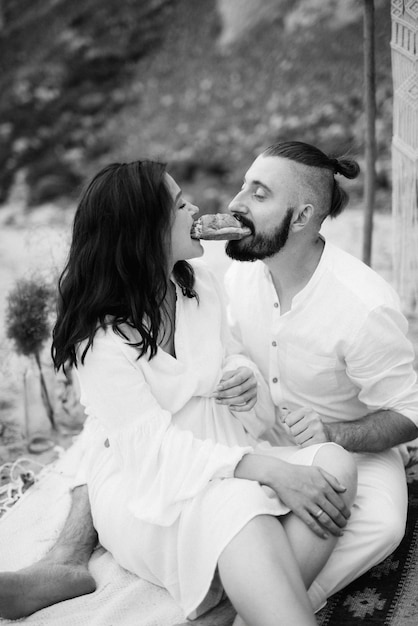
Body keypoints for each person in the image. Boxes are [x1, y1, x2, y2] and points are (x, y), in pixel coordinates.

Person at [0, 160, 357, 625]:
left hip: (225, 445)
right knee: (240, 504)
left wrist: (242, 373)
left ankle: (229, 611)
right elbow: (152, 454)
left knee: (336, 466)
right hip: (147, 485)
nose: (196, 210)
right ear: (143, 231)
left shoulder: (198, 283)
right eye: (179, 203)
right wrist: (266, 469)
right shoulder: (100, 341)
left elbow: (228, 352)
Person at [222, 140, 418, 611]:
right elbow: (227, 347)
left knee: (385, 523)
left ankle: (263, 605)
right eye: (244, 186)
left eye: (260, 193)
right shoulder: (236, 274)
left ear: (303, 217)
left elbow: (409, 413)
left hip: (353, 449)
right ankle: (270, 600)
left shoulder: (364, 305)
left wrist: (333, 432)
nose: (235, 203)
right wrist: (238, 370)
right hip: (254, 440)